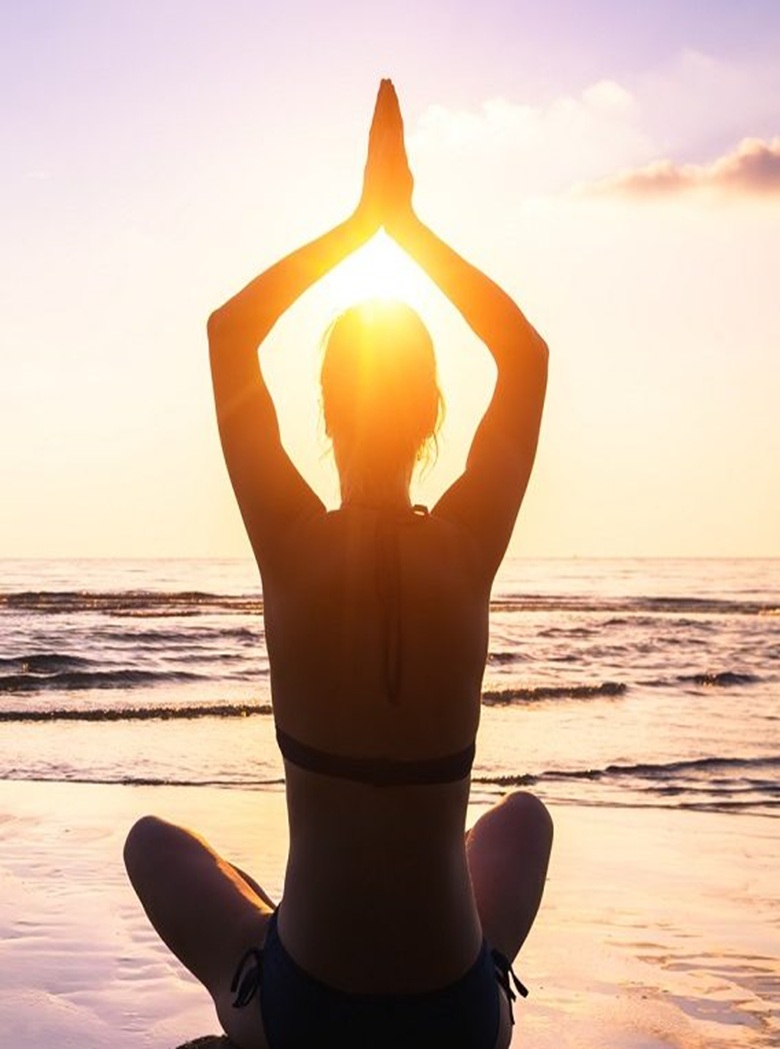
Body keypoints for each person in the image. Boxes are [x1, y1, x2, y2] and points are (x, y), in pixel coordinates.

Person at [124, 79, 553, 1049]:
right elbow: (525, 357)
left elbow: (228, 333)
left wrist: (359, 224)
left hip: (305, 1008)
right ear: (434, 414)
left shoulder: (291, 542)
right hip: (453, 1015)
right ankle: (488, 975)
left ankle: (261, 984)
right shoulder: (466, 544)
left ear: (324, 409)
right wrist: (410, 225)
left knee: (153, 844)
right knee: (523, 820)